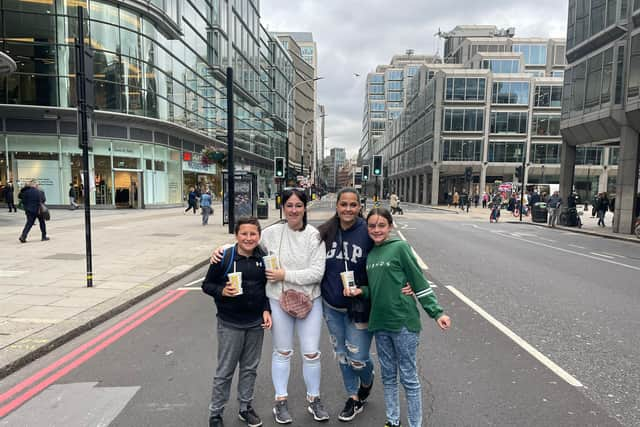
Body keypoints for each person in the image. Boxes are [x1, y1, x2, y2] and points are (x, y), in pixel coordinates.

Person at [211, 189, 327, 424]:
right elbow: (247, 242)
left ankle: (314, 399)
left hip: (310, 301)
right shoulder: (272, 233)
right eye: (289, 205)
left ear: (305, 207)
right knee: (282, 351)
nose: (293, 210)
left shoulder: (315, 236)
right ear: (283, 207)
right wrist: (222, 248)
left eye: (298, 205)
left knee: (311, 353)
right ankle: (280, 401)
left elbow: (317, 273)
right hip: (278, 299)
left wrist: (285, 274)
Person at [346, 208, 450, 427]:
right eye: (372, 226)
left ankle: (415, 423)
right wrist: (361, 291)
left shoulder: (400, 248)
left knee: (409, 377)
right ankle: (392, 421)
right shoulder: (371, 255)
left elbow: (418, 281)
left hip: (403, 322)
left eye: (381, 225)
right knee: (388, 377)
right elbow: (376, 289)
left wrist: (436, 312)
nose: (376, 230)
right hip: (380, 323)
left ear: (390, 227)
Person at [317, 189, 412, 422]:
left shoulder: (367, 231)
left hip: (361, 306)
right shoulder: (325, 231)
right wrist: (226, 250)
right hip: (332, 306)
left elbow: (389, 255)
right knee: (341, 355)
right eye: (344, 204)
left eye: (353, 205)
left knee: (357, 357)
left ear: (359, 207)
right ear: (337, 206)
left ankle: (366, 382)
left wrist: (405, 279)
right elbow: (295, 246)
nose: (348, 209)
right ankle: (353, 397)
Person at [202, 217, 272, 427]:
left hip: (254, 323)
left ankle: (245, 407)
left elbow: (267, 288)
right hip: (230, 323)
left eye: (253, 234)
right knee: (225, 371)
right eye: (244, 234)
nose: (248, 238)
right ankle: (215, 414)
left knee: (250, 368)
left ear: (259, 236)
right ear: (236, 236)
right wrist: (222, 291)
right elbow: (207, 285)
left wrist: (267, 310)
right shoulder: (224, 257)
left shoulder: (264, 257)